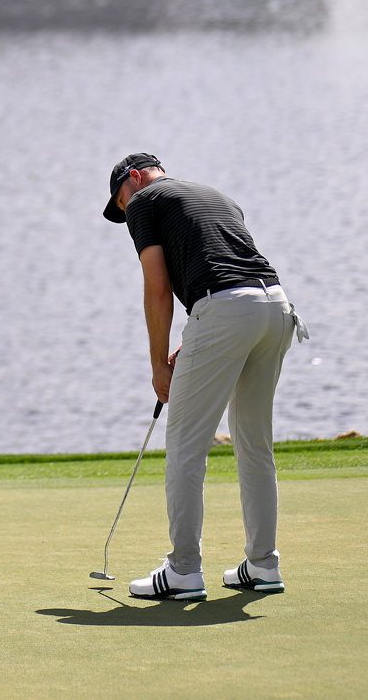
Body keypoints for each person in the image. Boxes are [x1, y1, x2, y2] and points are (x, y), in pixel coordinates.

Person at [104, 152, 304, 600]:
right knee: (254, 444)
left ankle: (183, 571)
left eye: (120, 201)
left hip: (226, 309)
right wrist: (201, 332)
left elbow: (157, 289)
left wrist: (159, 364)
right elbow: (221, 267)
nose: (125, 211)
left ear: (133, 179)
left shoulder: (143, 200)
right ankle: (263, 565)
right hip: (276, 307)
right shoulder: (217, 195)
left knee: (184, 445)